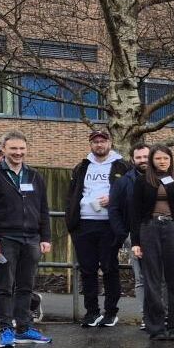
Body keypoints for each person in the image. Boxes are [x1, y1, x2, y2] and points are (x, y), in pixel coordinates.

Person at [0, 130, 52, 348]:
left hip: (31, 239)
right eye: (13, 148)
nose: (18, 153)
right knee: (5, 287)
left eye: (22, 149)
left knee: (26, 286)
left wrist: (45, 237)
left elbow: (43, 209)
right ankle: (6, 330)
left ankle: (24, 328)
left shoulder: (35, 176)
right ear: (4, 149)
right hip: (5, 239)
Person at [128, 145, 174, 341]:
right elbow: (135, 214)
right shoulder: (142, 182)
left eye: (166, 158)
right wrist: (136, 241)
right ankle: (156, 328)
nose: (162, 161)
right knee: (152, 280)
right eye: (158, 159)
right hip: (149, 229)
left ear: (170, 160)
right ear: (151, 161)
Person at [65, 128, 125, 327]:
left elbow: (130, 194)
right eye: (95, 141)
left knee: (109, 268)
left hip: (109, 224)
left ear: (110, 143)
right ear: (91, 144)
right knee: (87, 270)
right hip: (83, 224)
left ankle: (111, 312)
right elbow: (72, 194)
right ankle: (91, 312)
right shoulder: (82, 167)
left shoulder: (122, 166)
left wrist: (114, 199)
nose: (99, 144)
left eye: (103, 141)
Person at [109, 144, 151, 327]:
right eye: (139, 157)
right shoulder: (123, 182)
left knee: (164, 277)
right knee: (141, 277)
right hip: (133, 236)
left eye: (146, 156)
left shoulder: (164, 178)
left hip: (160, 234)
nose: (143, 160)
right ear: (133, 160)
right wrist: (123, 234)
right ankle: (146, 316)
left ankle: (165, 314)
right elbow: (114, 209)